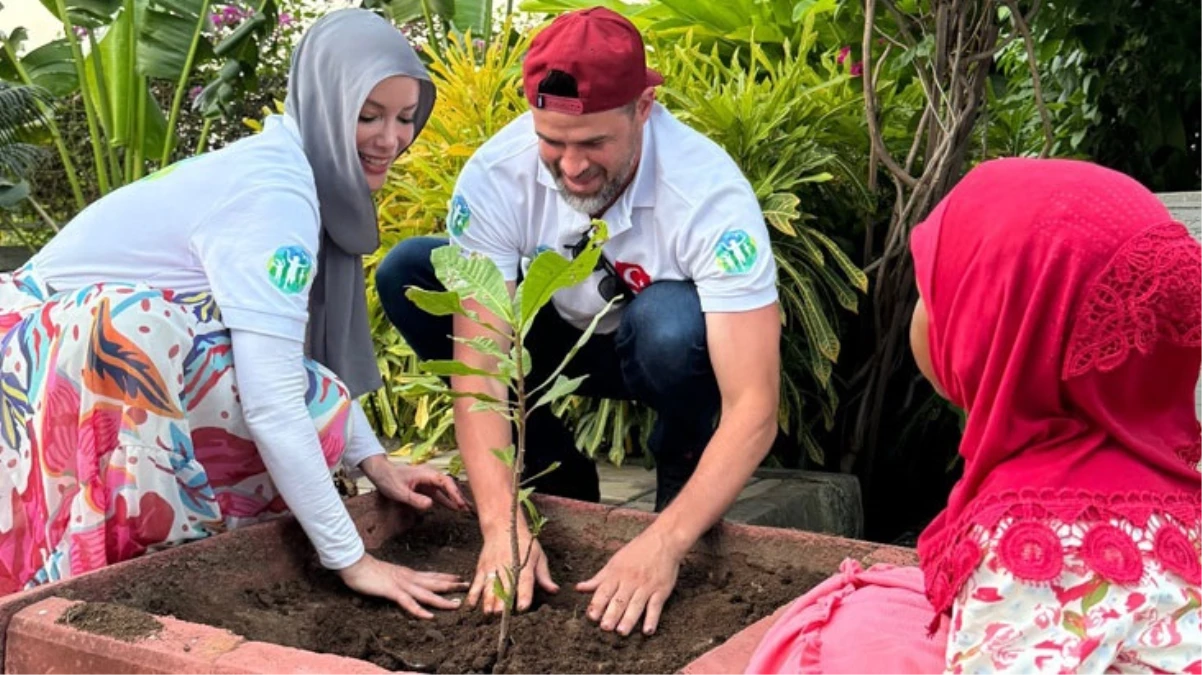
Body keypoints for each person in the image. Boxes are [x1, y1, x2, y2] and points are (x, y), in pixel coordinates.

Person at [0, 9, 471, 619]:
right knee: (191, 348)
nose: (391, 139)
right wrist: (352, 559)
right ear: (324, 106)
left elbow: (299, 361)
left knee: (303, 386)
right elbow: (276, 396)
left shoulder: (295, 170)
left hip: (53, 354)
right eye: (367, 115)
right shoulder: (274, 198)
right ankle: (127, 576)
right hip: (33, 356)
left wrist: (376, 463)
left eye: (407, 118)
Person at [375, 7, 782, 636]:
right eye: (552, 142)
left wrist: (665, 542)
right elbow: (481, 371)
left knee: (671, 325)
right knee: (411, 268)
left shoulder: (708, 196)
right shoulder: (494, 175)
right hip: (556, 345)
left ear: (644, 107)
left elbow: (754, 403)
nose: (570, 167)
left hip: (657, 351)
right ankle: (556, 470)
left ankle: (679, 488)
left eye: (594, 143)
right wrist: (500, 522)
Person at [748, 158, 1202, 674]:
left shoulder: (1032, 545)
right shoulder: (1174, 485)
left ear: (1000, 329)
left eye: (936, 291)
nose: (920, 311)